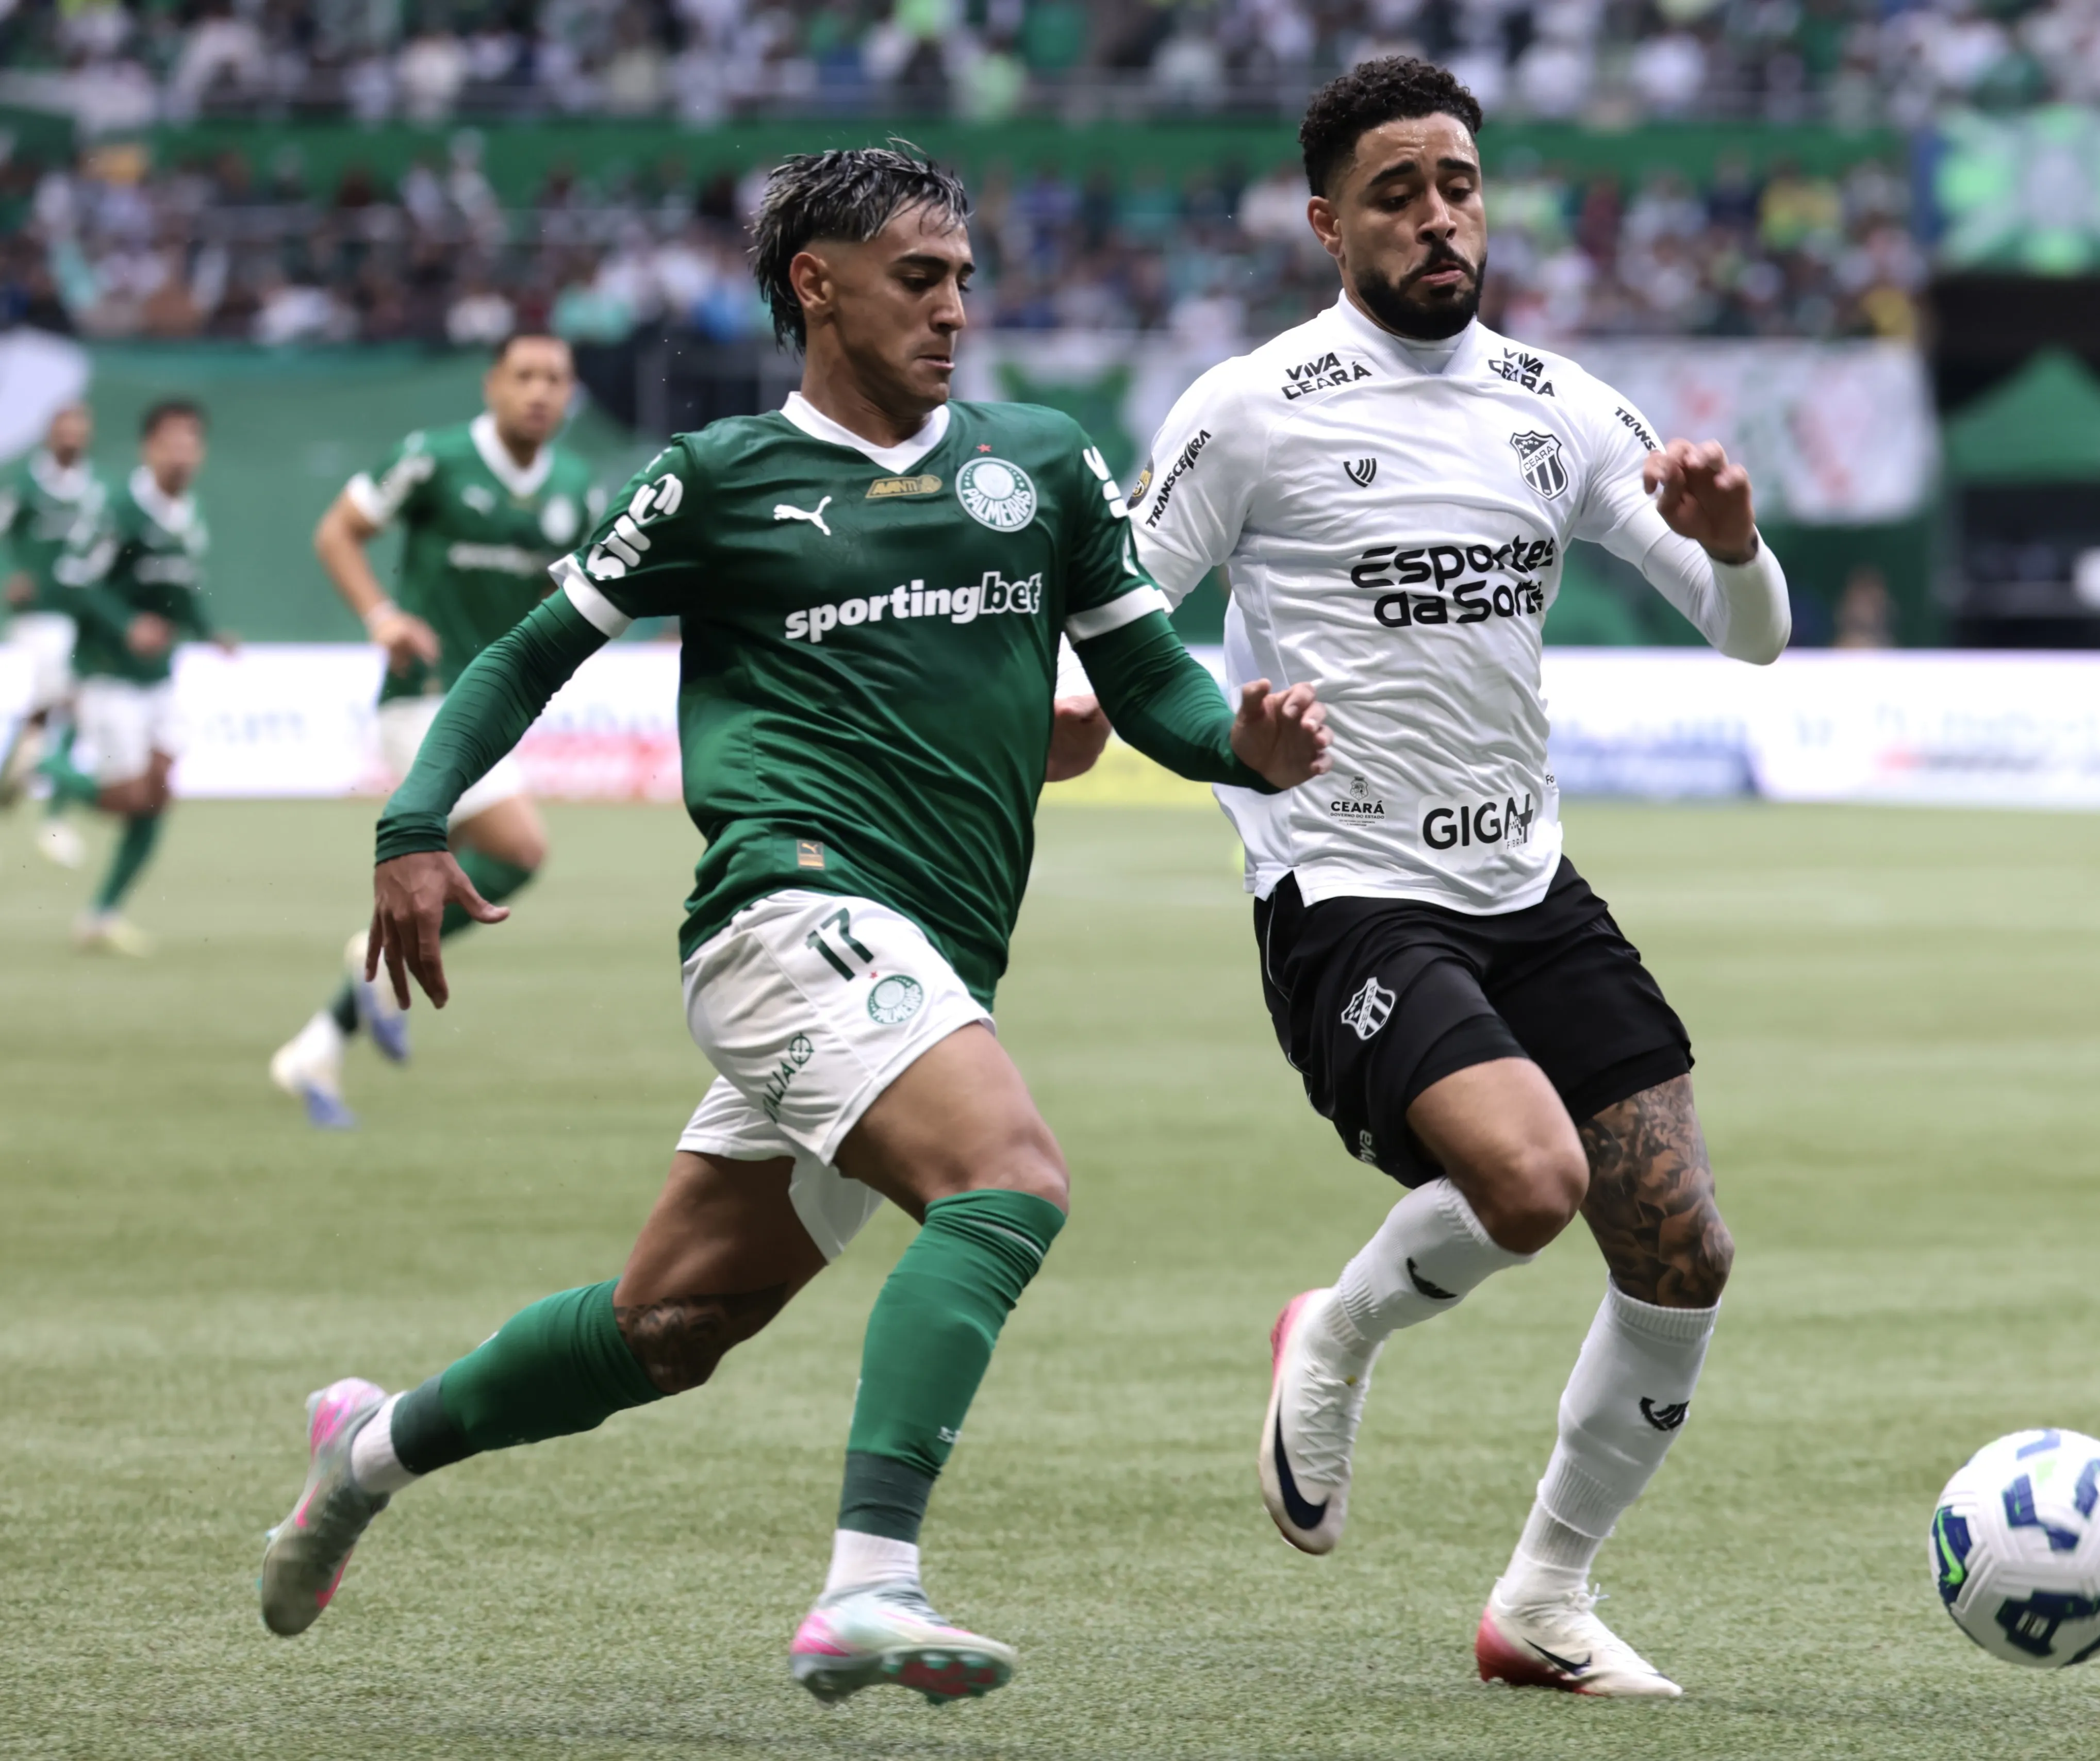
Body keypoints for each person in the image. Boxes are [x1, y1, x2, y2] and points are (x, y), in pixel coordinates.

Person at [255, 145, 1332, 1709]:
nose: (955, 306)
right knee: (1007, 1179)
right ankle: (867, 1584)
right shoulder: (716, 477)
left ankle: (364, 1449)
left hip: (924, 958)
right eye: (919, 276)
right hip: (788, 910)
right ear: (814, 285)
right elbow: (519, 660)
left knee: (666, 1327)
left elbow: (1151, 683)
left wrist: (1243, 742)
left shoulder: (1040, 464)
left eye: (965, 276)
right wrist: (413, 824)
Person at [1128, 59, 1790, 1698]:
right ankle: (1336, 1330)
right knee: (1533, 1179)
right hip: (1343, 886)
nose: (1438, 216)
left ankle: (1543, 1601)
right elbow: (1110, 644)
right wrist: (1225, 739)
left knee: (1683, 1246)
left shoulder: (1556, 407)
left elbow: (1753, 638)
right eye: (1398, 191)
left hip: (1527, 877)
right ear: (1326, 222)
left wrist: (1731, 539)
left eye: (1459, 184)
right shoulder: (1247, 409)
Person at [266, 335, 604, 1129]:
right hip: (421, 697)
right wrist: (382, 616)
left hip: (490, 711)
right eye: (523, 375)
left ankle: (316, 1046)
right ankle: (370, 962)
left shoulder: (578, 488)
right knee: (519, 849)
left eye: (554, 378)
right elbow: (336, 531)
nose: (538, 391)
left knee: (486, 863)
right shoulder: (433, 459)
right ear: (492, 385)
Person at [48, 400, 233, 955]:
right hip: (109, 674)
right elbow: (76, 579)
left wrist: (209, 629)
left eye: (191, 442)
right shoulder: (119, 508)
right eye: (170, 442)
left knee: (158, 792)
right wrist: (126, 623)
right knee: (128, 796)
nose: (182, 453)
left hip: (159, 676)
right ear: (148, 448)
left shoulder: (189, 513)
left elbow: (180, 589)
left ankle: (102, 916)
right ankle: (43, 766)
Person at [0, 401, 104, 868]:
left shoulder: (93, 490)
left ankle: (25, 797)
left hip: (78, 618)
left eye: (80, 429)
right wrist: (10, 573)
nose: (73, 437)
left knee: (51, 717)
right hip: (39, 619)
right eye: (65, 429)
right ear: (50, 434)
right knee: (65, 708)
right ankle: (53, 820)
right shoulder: (25, 484)